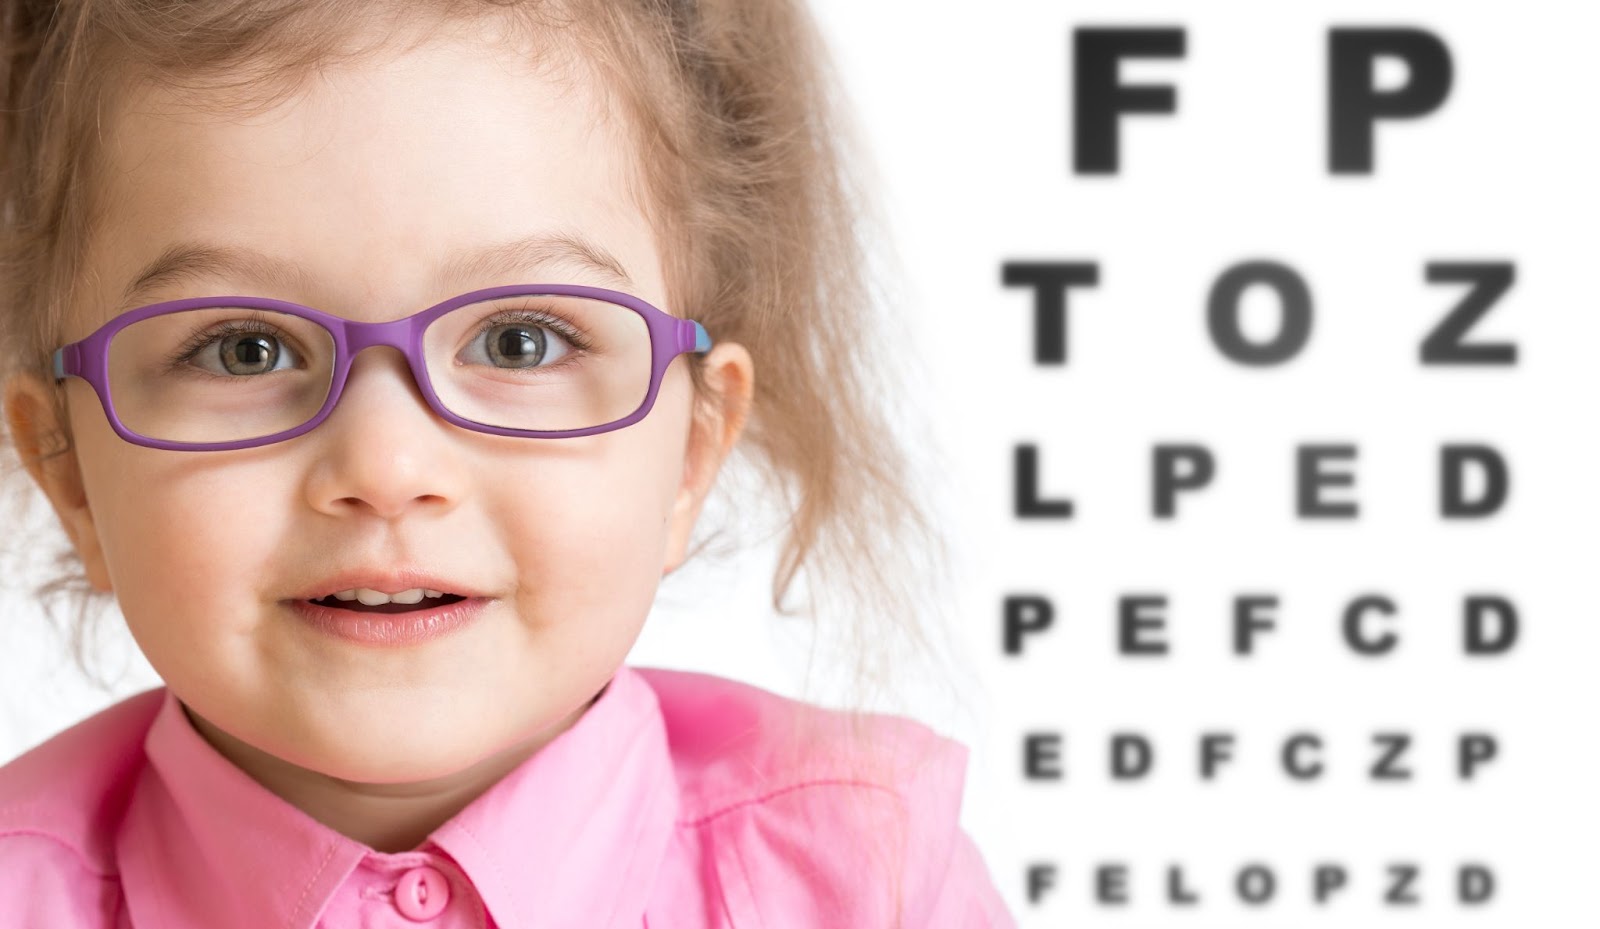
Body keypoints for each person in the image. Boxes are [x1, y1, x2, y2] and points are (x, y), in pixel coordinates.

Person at [0, 0, 1014, 926]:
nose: (387, 466)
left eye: (518, 342)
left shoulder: (873, 884)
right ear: (69, 469)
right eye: (244, 349)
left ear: (694, 447)